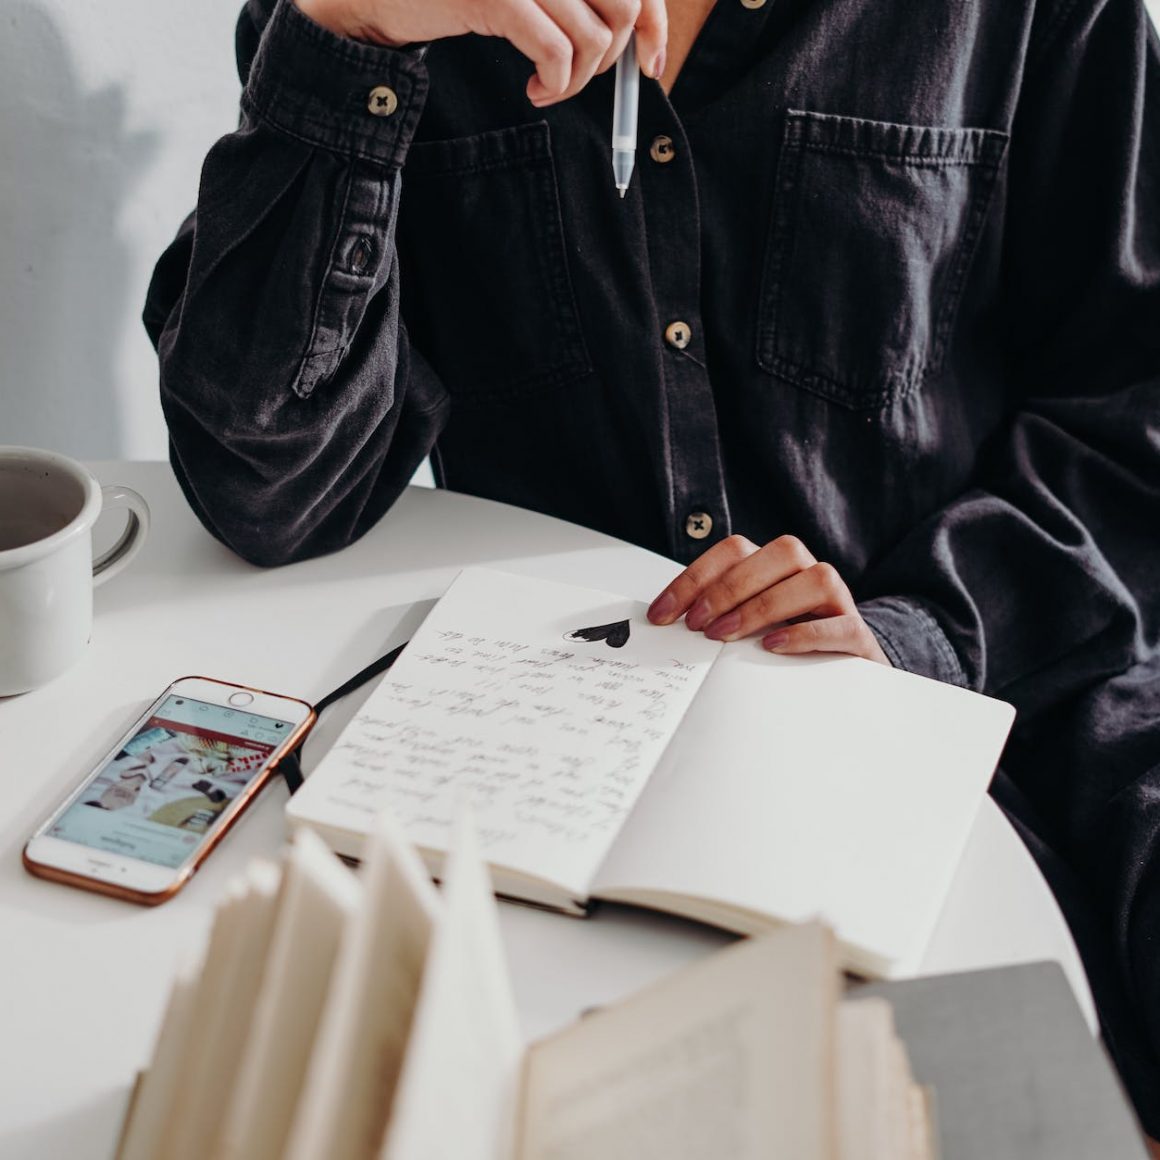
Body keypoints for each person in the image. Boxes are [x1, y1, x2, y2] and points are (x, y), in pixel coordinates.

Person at [144, 0, 1160, 1140]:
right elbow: (269, 489)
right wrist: (353, 43)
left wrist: (919, 631)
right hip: (559, 781)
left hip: (1020, 678)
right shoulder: (382, 15)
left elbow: (1130, 415)